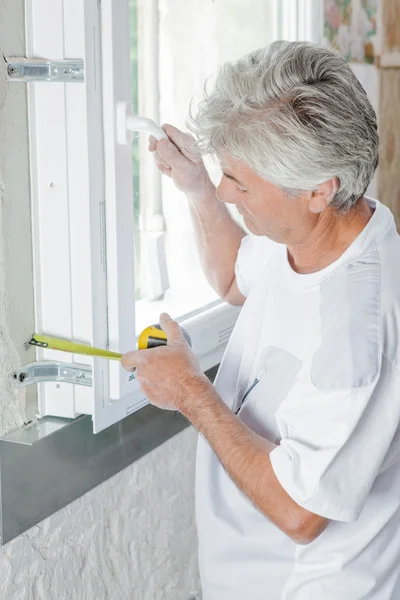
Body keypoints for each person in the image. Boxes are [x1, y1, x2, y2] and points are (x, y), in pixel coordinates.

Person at [121, 41, 400, 600]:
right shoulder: (321, 229)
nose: (228, 189)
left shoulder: (354, 330)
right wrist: (199, 189)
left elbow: (302, 512)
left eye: (240, 183)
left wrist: (191, 392)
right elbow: (232, 280)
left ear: (319, 190)